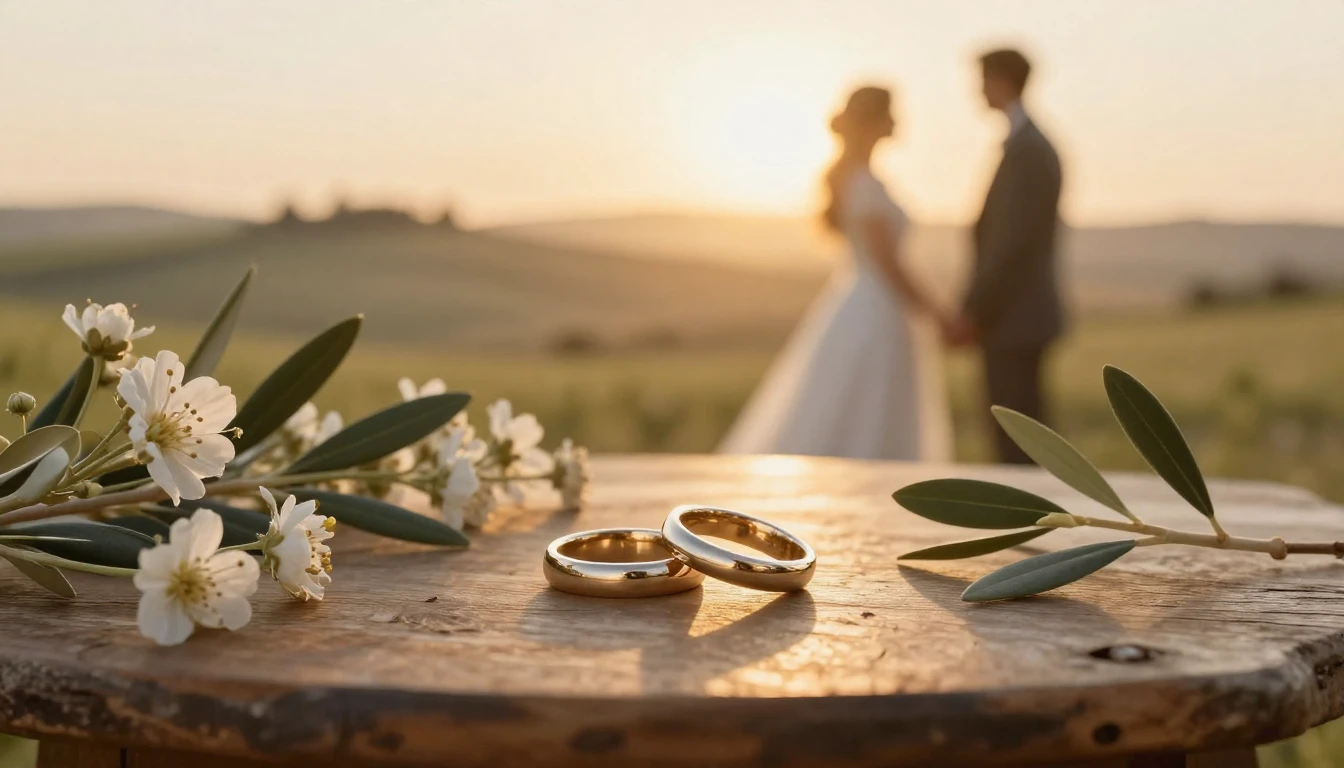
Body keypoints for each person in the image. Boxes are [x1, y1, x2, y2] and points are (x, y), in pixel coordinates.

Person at [719, 86, 952, 461]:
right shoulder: (862, 183)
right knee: (868, 409)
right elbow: (888, 263)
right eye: (890, 112)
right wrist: (937, 313)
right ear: (873, 120)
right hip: (877, 311)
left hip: (866, 304)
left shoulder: (857, 179)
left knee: (855, 407)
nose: (897, 120)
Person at [944, 49, 1065, 464]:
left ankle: (1031, 525)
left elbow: (1010, 245)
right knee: (1023, 437)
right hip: (1016, 318)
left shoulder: (1028, 149)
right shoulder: (1026, 144)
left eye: (982, 79)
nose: (977, 90)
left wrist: (973, 310)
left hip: (1014, 319)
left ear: (1000, 80)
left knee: (1019, 444)